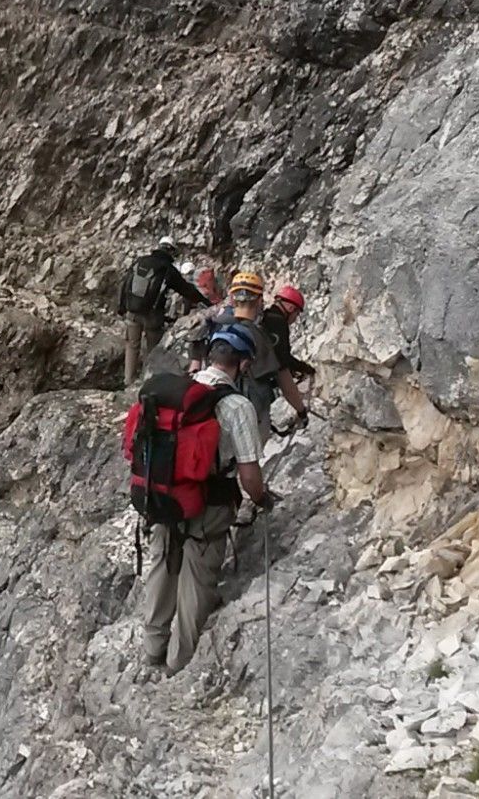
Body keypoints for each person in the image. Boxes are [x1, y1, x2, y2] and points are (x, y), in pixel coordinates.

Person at [136, 327, 274, 674]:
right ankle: (178, 661)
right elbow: (249, 475)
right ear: (242, 365)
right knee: (196, 579)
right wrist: (262, 499)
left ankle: (152, 648)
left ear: (211, 356)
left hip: (164, 495)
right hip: (208, 503)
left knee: (162, 565)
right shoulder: (237, 406)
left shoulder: (178, 392)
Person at [195, 271, 309, 435]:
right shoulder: (259, 335)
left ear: (233, 297)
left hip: (208, 398)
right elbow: (282, 375)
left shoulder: (216, 323)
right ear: (259, 300)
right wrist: (301, 411)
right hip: (246, 407)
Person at [116, 238, 212, 388]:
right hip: (153, 316)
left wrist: (122, 307)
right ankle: (147, 382)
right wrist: (207, 303)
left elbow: (125, 283)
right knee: (153, 349)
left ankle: (128, 380)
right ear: (171, 251)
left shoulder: (140, 261)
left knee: (132, 345)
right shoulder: (167, 269)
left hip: (132, 310)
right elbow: (186, 289)